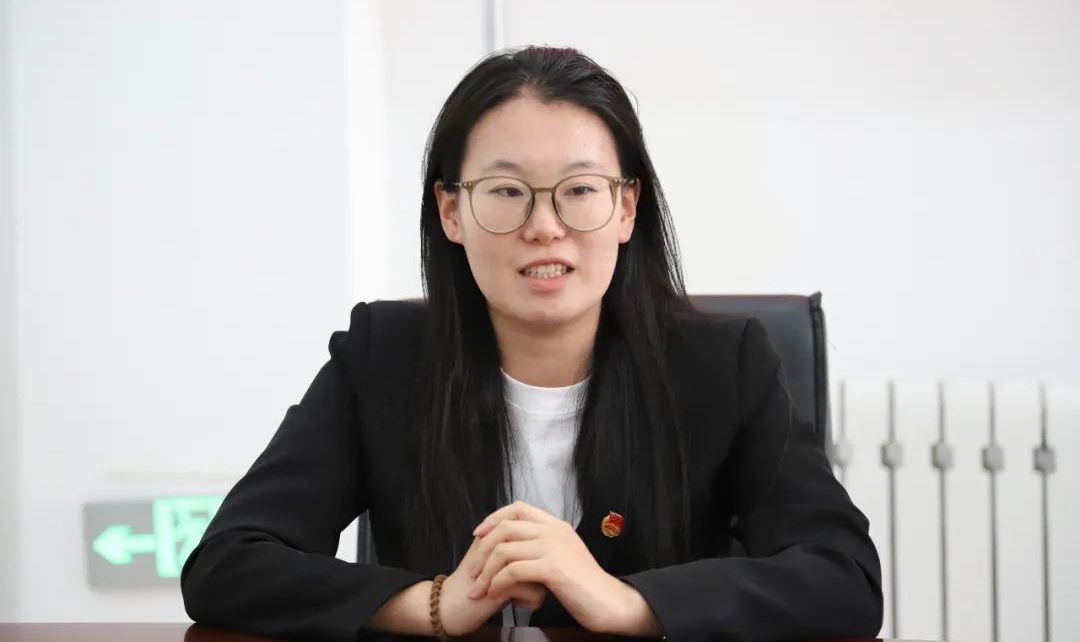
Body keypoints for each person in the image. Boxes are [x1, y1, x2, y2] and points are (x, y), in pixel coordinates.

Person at [181, 46, 882, 641]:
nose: (544, 226)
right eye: (507, 190)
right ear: (451, 211)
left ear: (626, 208)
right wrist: (433, 605)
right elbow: (227, 564)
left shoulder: (723, 366)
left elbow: (843, 576)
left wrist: (628, 603)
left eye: (579, 190)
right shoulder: (381, 357)